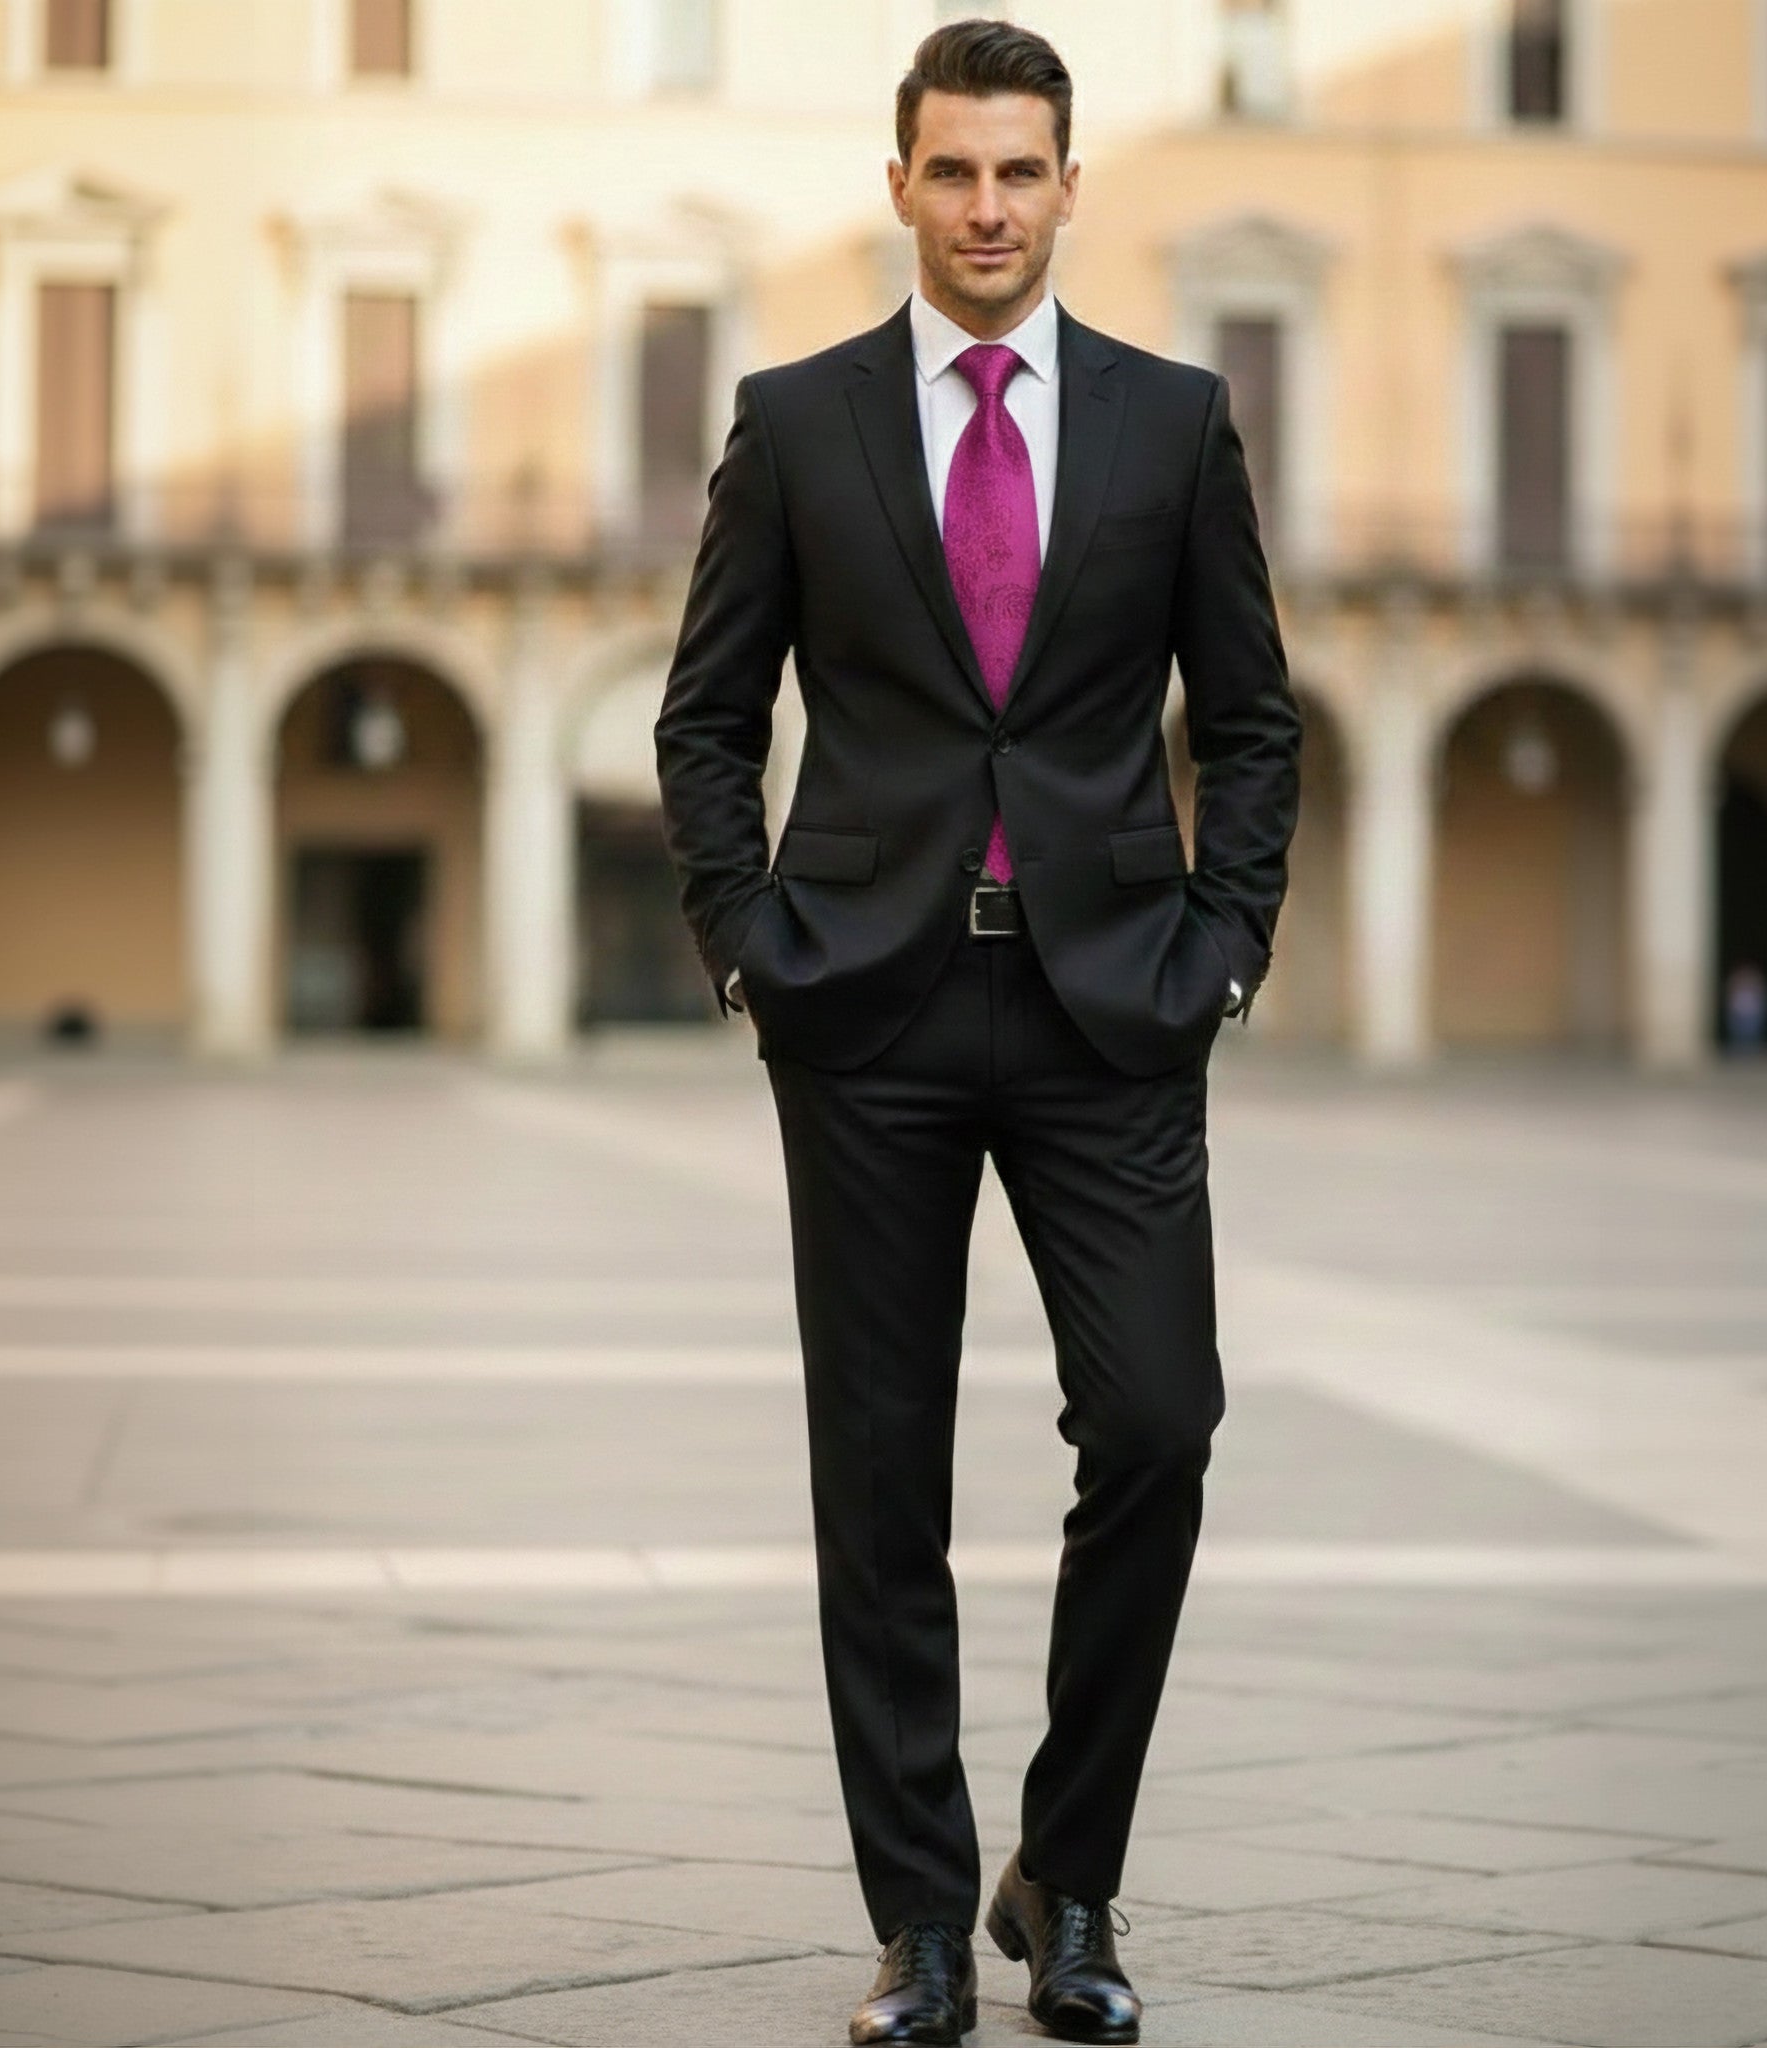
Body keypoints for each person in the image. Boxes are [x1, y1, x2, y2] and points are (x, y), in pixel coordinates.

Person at [656, 19, 1301, 2043]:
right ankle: (923, 1921)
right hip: (868, 1004)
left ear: (1068, 185)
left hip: (1110, 1004)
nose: (987, 207)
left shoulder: (1170, 422)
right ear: (899, 187)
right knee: (878, 1471)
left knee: (1159, 1423)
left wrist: (1221, 945)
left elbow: (1252, 721)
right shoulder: (798, 419)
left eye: (1019, 171)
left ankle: (1069, 1875)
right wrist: (750, 936)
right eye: (952, 172)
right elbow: (702, 715)